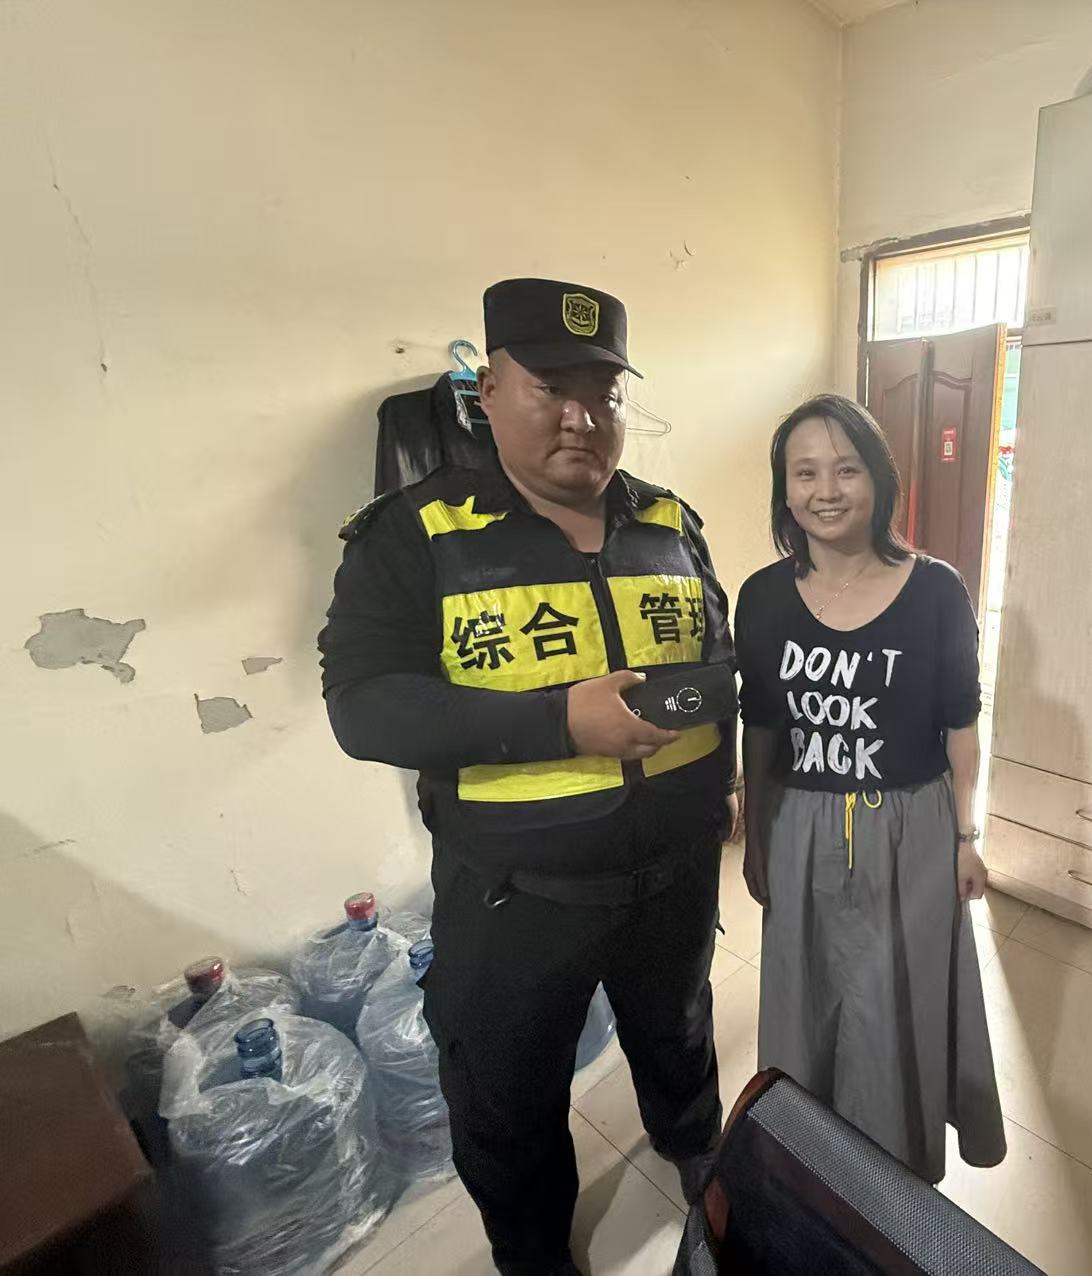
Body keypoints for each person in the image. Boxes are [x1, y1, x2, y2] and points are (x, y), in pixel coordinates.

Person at [318, 279, 735, 1276]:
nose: (581, 416)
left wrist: (728, 784)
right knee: (508, 1097)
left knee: (679, 1032)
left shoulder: (671, 523)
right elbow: (362, 704)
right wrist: (557, 720)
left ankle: (701, 1159)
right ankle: (536, 1253)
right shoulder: (418, 533)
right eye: (551, 387)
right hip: (516, 903)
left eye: (604, 392)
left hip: (674, 880)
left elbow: (714, 665)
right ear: (491, 390)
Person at [734, 393, 1006, 1184]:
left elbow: (961, 727)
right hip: (801, 825)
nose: (826, 490)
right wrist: (756, 832)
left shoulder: (937, 591)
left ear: (880, 480)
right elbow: (762, 724)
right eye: (805, 472)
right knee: (806, 997)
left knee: (898, 1005)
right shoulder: (762, 596)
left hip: (910, 828)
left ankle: (897, 1172)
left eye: (846, 469)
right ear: (784, 490)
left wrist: (965, 838)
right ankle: (813, 1163)